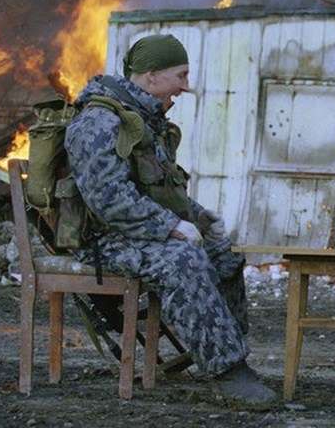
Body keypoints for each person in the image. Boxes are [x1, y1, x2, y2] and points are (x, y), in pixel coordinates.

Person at [64, 34, 276, 406]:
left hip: (137, 233)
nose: (185, 86)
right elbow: (108, 200)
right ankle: (228, 373)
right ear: (151, 75)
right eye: (180, 75)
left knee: (223, 253)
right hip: (103, 241)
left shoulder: (145, 120)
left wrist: (201, 220)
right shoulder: (99, 121)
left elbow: (162, 190)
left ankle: (231, 351)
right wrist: (171, 227)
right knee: (182, 259)